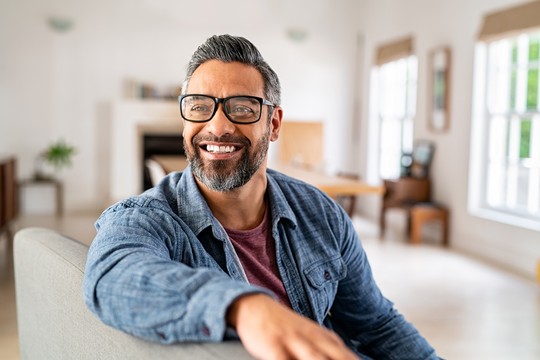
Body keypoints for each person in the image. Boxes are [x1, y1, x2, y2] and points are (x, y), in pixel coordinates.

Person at [84, 34, 439, 360]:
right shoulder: (145, 217)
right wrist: (245, 308)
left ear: (274, 124)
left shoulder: (322, 214)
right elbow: (112, 278)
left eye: (242, 108)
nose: (218, 126)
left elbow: (375, 323)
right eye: (198, 106)